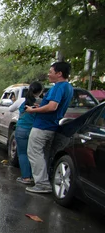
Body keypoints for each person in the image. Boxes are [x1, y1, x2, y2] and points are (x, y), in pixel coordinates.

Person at [25, 62, 73, 194]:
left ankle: (42, 183)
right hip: (51, 126)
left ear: (59, 74)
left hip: (42, 126)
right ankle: (43, 181)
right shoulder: (68, 87)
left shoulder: (58, 87)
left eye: (51, 71)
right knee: (43, 154)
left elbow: (52, 106)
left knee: (34, 153)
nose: (48, 74)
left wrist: (33, 110)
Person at [9, 82, 43, 185]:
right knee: (34, 154)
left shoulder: (21, 100)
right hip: (35, 130)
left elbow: (10, 109)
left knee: (23, 153)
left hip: (21, 129)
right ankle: (35, 177)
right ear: (40, 91)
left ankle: (26, 177)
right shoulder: (42, 102)